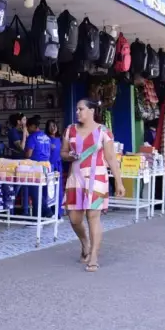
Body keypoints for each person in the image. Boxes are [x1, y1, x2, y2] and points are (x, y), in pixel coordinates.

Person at [61, 98, 125, 272]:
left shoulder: (104, 131)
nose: (77, 112)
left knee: (93, 217)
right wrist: (69, 156)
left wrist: (119, 182)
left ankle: (94, 257)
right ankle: (85, 243)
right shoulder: (70, 130)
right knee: (74, 219)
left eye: (80, 109)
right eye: (76, 109)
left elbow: (111, 158)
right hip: (75, 177)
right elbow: (63, 153)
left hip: (97, 178)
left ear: (91, 111)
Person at [24, 115, 53, 217]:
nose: (27, 129)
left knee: (35, 192)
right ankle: (46, 212)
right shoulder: (46, 137)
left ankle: (38, 216)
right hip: (47, 166)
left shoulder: (32, 137)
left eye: (28, 127)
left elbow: (29, 154)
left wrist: (24, 153)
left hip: (35, 167)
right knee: (42, 192)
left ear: (32, 126)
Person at [46, 119, 63, 209]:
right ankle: (50, 211)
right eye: (51, 126)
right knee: (50, 190)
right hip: (49, 167)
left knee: (58, 189)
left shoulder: (60, 139)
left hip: (58, 167)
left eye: (54, 125)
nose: (53, 128)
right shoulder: (46, 139)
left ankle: (58, 211)